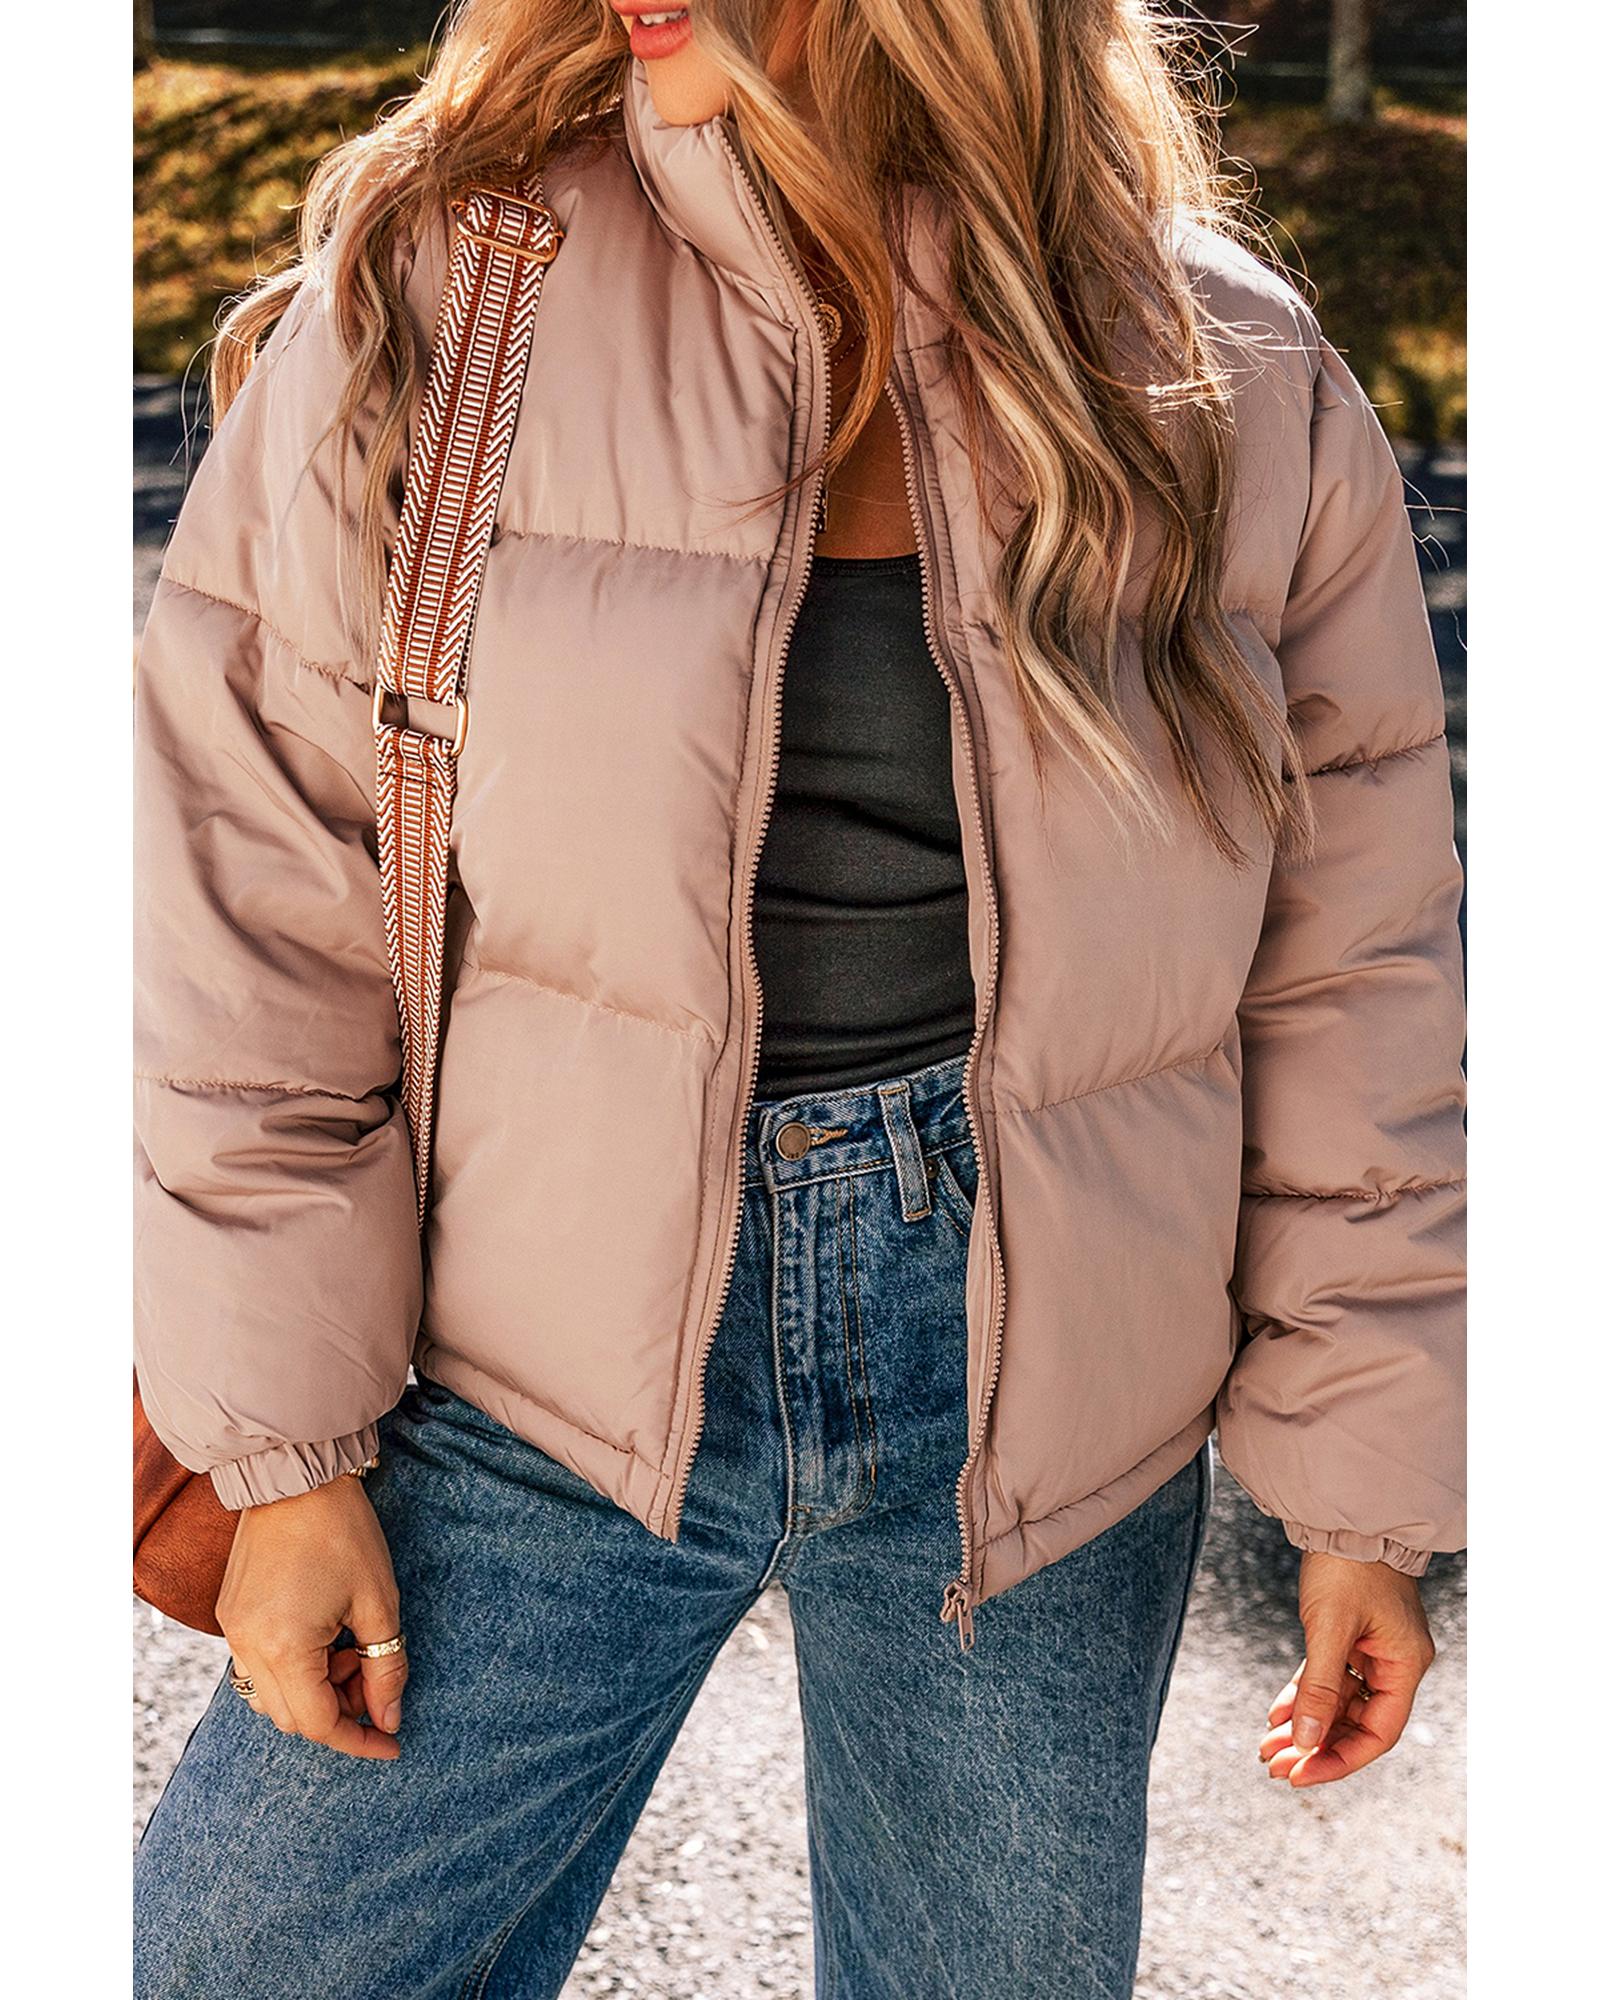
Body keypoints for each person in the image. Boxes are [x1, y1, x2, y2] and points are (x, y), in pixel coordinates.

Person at [132, 3, 1466, 1995]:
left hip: (1049, 1401)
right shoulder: (445, 296)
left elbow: (1351, 962)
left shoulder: (1222, 365)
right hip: (513, 1360)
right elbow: (253, 896)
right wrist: (289, 1458)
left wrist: (1364, 1491)